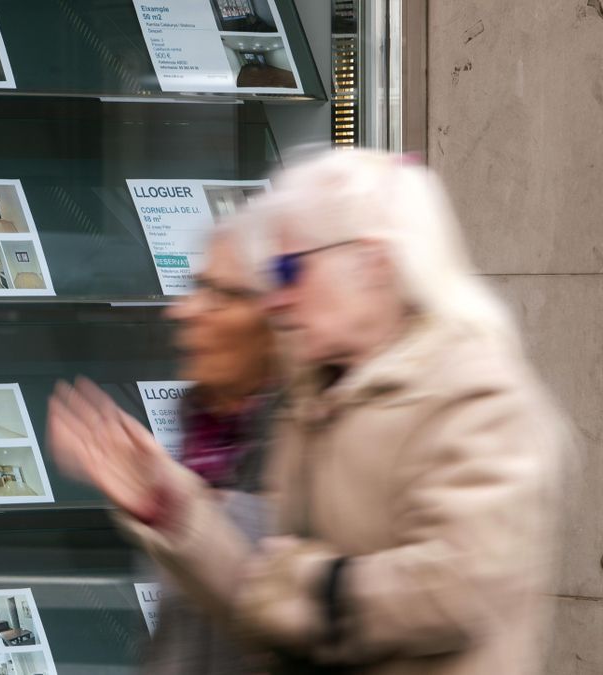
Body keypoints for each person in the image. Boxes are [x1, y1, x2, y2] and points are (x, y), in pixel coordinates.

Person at [48, 150, 565, 674]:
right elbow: (267, 616)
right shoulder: (317, 398)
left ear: (372, 263)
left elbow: (459, 588)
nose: (276, 301)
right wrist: (171, 509)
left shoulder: (477, 397)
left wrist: (306, 585)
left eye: (290, 269)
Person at [130, 228, 280, 674]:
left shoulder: (310, 444)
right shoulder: (204, 430)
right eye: (198, 288)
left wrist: (181, 511)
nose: (185, 311)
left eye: (222, 294)